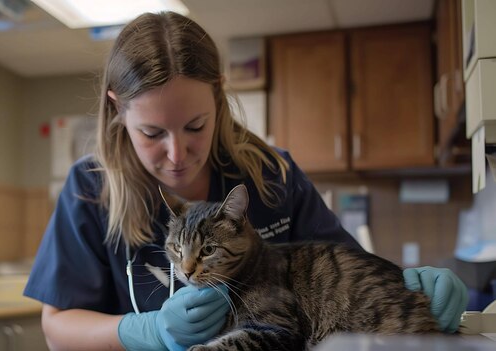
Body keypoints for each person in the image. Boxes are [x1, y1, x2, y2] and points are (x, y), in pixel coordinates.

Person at [23, 11, 469, 351]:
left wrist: (410, 289)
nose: (177, 155)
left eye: (196, 126)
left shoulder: (271, 174)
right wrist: (148, 331)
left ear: (219, 95)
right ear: (118, 109)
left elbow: (344, 273)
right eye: (152, 133)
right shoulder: (90, 188)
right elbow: (56, 325)